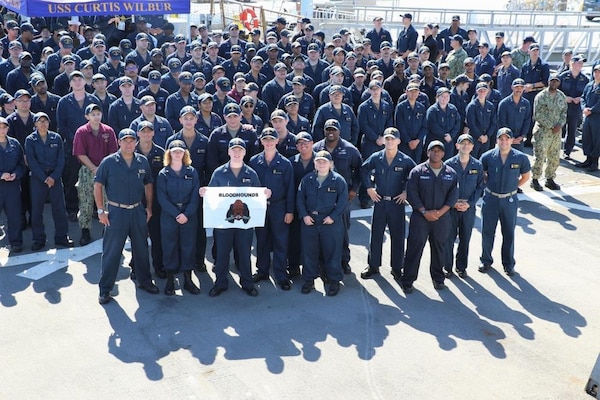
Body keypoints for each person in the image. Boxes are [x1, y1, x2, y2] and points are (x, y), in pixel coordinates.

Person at [94, 128, 159, 305]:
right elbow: (98, 185)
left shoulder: (142, 161)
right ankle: (105, 289)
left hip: (137, 210)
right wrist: (100, 210)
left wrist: (149, 208)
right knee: (112, 252)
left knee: (141, 249)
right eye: (125, 141)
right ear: (119, 143)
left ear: (136, 143)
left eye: (132, 141)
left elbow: (148, 185)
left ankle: (144, 281)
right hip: (116, 212)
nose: (129, 144)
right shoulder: (108, 162)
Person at [200, 137, 270, 297]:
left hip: (245, 224)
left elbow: (257, 196)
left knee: (244, 254)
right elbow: (211, 194)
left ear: (244, 152)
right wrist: (205, 193)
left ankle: (247, 283)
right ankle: (220, 283)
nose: (237, 153)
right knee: (222, 254)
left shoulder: (251, 173)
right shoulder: (219, 173)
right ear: (229, 151)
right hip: (223, 223)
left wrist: (265, 194)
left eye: (240, 150)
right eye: (234, 150)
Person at [400, 140, 458, 293]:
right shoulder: (417, 171)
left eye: (439, 150)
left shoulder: (451, 173)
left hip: (442, 218)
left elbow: (452, 197)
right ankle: (407, 280)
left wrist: (440, 212)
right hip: (420, 218)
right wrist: (424, 211)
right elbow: (412, 194)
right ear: (428, 152)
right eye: (433, 150)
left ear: (444, 154)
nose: (436, 153)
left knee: (439, 249)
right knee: (414, 248)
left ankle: (438, 279)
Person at [360, 127, 415, 280]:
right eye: (387, 139)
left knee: (398, 236)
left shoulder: (405, 160)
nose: (390, 141)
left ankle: (397, 268)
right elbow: (363, 170)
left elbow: (415, 176)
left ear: (398, 141)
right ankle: (373, 266)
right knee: (376, 235)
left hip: (396, 204)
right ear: (383, 140)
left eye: (393, 139)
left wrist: (406, 192)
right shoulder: (376, 157)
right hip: (380, 202)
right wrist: (369, 188)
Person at [478, 127, 531, 277]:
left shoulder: (521, 158)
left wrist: (513, 187)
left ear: (512, 141)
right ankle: (486, 260)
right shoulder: (488, 156)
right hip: (491, 199)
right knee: (487, 231)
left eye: (507, 138)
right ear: (496, 141)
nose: (504, 141)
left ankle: (508, 264)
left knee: (508, 233)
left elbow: (525, 176)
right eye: (501, 139)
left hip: (509, 199)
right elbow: (482, 174)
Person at [313, 119, 362, 274]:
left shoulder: (350, 149)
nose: (330, 132)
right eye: (328, 129)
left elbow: (360, 170)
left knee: (342, 232)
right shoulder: (316, 148)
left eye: (333, 129)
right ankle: (322, 262)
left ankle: (343, 261)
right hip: (321, 200)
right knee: (321, 232)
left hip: (342, 199)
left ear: (339, 131)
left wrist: (354, 189)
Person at [296, 150, 348, 296]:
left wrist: (333, 216)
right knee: (309, 252)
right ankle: (308, 280)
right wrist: (304, 215)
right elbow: (300, 199)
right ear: (314, 163)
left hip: (330, 222)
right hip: (310, 221)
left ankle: (334, 280)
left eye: (324, 161)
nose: (321, 164)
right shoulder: (307, 180)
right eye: (318, 161)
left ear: (331, 164)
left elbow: (343, 202)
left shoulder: (338, 180)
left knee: (332, 252)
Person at [249, 128, 296, 290]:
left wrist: (290, 211)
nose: (268, 143)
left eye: (271, 140)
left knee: (280, 241)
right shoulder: (254, 161)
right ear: (261, 141)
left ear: (277, 141)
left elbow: (290, 188)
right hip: (260, 207)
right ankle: (262, 270)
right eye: (265, 140)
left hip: (279, 206)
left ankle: (281, 274)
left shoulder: (285, 163)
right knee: (261, 240)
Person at [156, 140, 201, 295]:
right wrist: (177, 214)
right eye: (174, 151)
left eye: (180, 151)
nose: (177, 153)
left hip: (188, 216)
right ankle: (170, 281)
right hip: (170, 216)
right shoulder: (163, 174)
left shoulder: (192, 172)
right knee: (169, 247)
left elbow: (195, 196)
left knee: (188, 246)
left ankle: (188, 280)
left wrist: (186, 214)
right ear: (169, 153)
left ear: (184, 153)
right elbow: (161, 198)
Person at [24, 112, 73, 251]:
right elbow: (31, 162)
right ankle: (39, 239)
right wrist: (44, 178)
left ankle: (62, 237)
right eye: (40, 121)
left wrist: (53, 177)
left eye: (45, 121)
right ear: (35, 124)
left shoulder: (56, 138)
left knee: (59, 209)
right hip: (38, 179)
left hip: (55, 178)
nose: (43, 124)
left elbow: (61, 160)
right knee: (37, 210)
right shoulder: (30, 140)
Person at [73, 103, 118, 246]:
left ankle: (107, 229)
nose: (96, 117)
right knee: (85, 201)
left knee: (107, 201)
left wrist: (103, 167)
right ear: (87, 116)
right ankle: (85, 230)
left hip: (106, 170)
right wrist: (93, 168)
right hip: (87, 170)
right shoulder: (81, 131)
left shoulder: (108, 131)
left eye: (98, 114)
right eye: (93, 114)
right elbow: (80, 153)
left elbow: (113, 151)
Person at [444, 134, 484, 279]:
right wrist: (452, 202)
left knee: (465, 238)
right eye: (463, 143)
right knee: (449, 238)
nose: (465, 146)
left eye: (468, 144)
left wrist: (469, 203)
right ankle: (446, 267)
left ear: (472, 147)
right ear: (457, 145)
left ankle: (461, 267)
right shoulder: (448, 164)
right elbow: (444, 187)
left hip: (468, 208)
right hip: (451, 208)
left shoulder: (477, 165)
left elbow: (480, 188)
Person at [135, 121, 166, 279]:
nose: (146, 134)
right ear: (138, 133)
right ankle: (136, 266)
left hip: (156, 201)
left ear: (153, 133)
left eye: (149, 131)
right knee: (137, 236)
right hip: (135, 200)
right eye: (143, 131)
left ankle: (159, 265)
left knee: (156, 235)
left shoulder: (161, 153)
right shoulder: (130, 151)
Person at [530, 74, 567, 191]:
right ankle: (535, 179)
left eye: (556, 81)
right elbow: (538, 114)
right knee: (539, 156)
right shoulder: (541, 96)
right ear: (548, 81)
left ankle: (550, 179)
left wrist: (560, 124)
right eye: (552, 81)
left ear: (559, 83)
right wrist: (552, 126)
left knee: (554, 156)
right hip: (542, 131)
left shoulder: (561, 96)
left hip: (556, 133)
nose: (554, 83)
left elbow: (564, 113)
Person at [0, 116, 25, 253]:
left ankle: (16, 242)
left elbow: (21, 164)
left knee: (14, 215)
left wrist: (16, 174)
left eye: (4, 127)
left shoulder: (15, 144)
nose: (2, 130)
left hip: (12, 185)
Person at [559, 55, 588, 160]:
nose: (580, 65)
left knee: (571, 130)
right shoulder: (562, 76)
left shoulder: (585, 79)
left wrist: (579, 99)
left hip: (575, 108)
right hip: (562, 107)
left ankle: (567, 151)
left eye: (581, 63)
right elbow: (555, 91)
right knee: (557, 128)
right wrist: (564, 97)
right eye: (578, 62)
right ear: (572, 63)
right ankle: (554, 150)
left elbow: (587, 94)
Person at [426, 87, 461, 159]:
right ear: (437, 97)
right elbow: (433, 126)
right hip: (436, 141)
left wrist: (451, 135)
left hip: (449, 141)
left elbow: (457, 123)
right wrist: (445, 135)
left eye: (447, 96)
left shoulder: (453, 109)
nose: (445, 98)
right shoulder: (432, 110)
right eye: (442, 96)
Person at [577, 64, 600, 172]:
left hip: (597, 117)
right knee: (587, 138)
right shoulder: (589, 85)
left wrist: (592, 110)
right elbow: (583, 98)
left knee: (596, 139)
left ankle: (594, 162)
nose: (597, 73)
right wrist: (584, 108)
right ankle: (588, 159)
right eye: (595, 71)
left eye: (599, 71)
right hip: (587, 116)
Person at [465, 82, 497, 158]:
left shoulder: (490, 106)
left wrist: (487, 135)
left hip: (486, 139)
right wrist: (479, 136)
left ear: (487, 91)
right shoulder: (471, 106)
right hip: (475, 138)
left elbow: (493, 122)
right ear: (476, 91)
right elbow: (471, 124)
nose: (482, 92)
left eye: (484, 90)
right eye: (480, 91)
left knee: (484, 160)